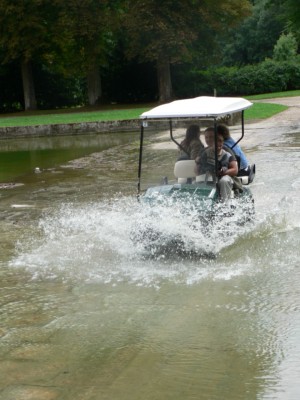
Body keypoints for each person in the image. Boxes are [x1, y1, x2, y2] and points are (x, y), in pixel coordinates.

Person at [195, 131, 241, 201]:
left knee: (224, 180)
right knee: (200, 180)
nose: (218, 144)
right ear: (212, 142)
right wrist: (203, 167)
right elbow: (198, 168)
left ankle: (225, 205)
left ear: (223, 142)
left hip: (224, 176)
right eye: (216, 141)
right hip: (209, 175)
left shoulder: (227, 155)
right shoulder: (205, 153)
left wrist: (223, 172)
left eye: (220, 141)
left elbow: (235, 170)